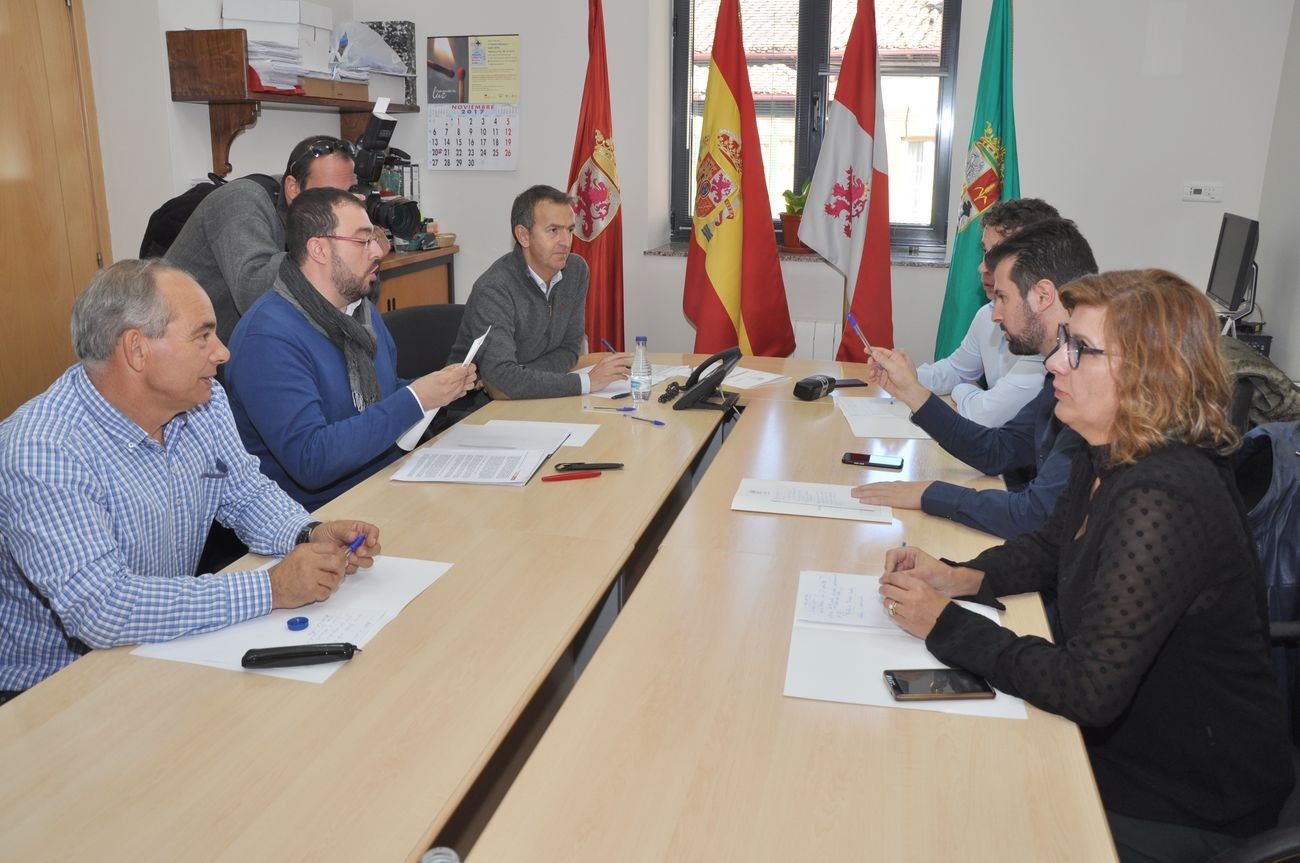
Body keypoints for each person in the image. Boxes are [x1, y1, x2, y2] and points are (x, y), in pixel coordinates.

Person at [879, 270, 1293, 862]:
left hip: (1187, 796)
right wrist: (960, 576)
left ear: (1150, 372)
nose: (1055, 363)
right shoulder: (1109, 448)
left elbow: (1086, 687)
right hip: (1123, 747)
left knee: (956, 818)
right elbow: (1051, 546)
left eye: (1080, 349)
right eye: (1062, 341)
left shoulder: (1165, 496)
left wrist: (945, 623)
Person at [0, 260, 380, 699]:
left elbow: (244, 493)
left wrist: (308, 533)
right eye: (203, 335)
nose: (223, 352)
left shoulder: (203, 400)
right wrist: (271, 587)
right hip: (52, 693)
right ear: (137, 350)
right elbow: (102, 607)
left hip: (161, 646)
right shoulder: (43, 449)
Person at [224, 188, 477, 509]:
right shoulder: (267, 339)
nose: (378, 252)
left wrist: (439, 387)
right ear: (318, 249)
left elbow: (384, 394)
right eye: (363, 241)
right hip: (320, 519)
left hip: (387, 482)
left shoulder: (358, 308)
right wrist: (417, 398)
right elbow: (312, 461)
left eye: (375, 239)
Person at [853, 218, 1097, 538]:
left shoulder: (1088, 381)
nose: (994, 314)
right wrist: (912, 392)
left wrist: (931, 493)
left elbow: (1035, 514)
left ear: (1042, 295)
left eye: (1003, 297)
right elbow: (998, 451)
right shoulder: (1061, 370)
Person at [168, 135, 369, 345]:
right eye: (330, 195)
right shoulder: (241, 200)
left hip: (238, 345)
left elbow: (355, 296)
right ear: (293, 188)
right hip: (182, 349)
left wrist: (362, 246)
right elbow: (253, 293)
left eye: (349, 193)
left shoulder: (313, 217)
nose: (344, 205)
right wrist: (336, 246)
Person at [445, 185, 630, 399]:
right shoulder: (494, 288)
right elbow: (501, 384)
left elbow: (569, 350)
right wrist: (587, 382)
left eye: (569, 230)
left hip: (533, 397)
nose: (565, 242)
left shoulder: (576, 271)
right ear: (523, 236)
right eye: (553, 231)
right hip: (476, 409)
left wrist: (521, 375)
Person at [915, 198, 1059, 427]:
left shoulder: (1046, 328)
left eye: (997, 254)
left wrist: (963, 389)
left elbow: (986, 415)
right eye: (985, 252)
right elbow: (957, 369)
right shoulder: (988, 314)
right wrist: (907, 376)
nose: (983, 266)